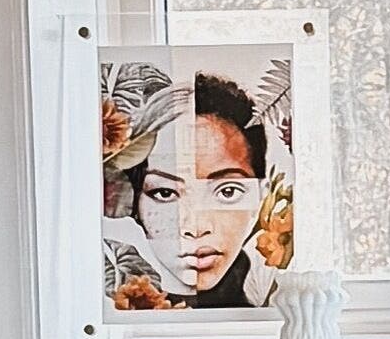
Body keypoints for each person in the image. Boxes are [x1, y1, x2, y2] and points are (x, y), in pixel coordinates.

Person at [108, 69, 277, 308]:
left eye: (227, 192)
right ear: (134, 202)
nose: (195, 228)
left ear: (262, 196)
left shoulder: (278, 302)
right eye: (165, 193)